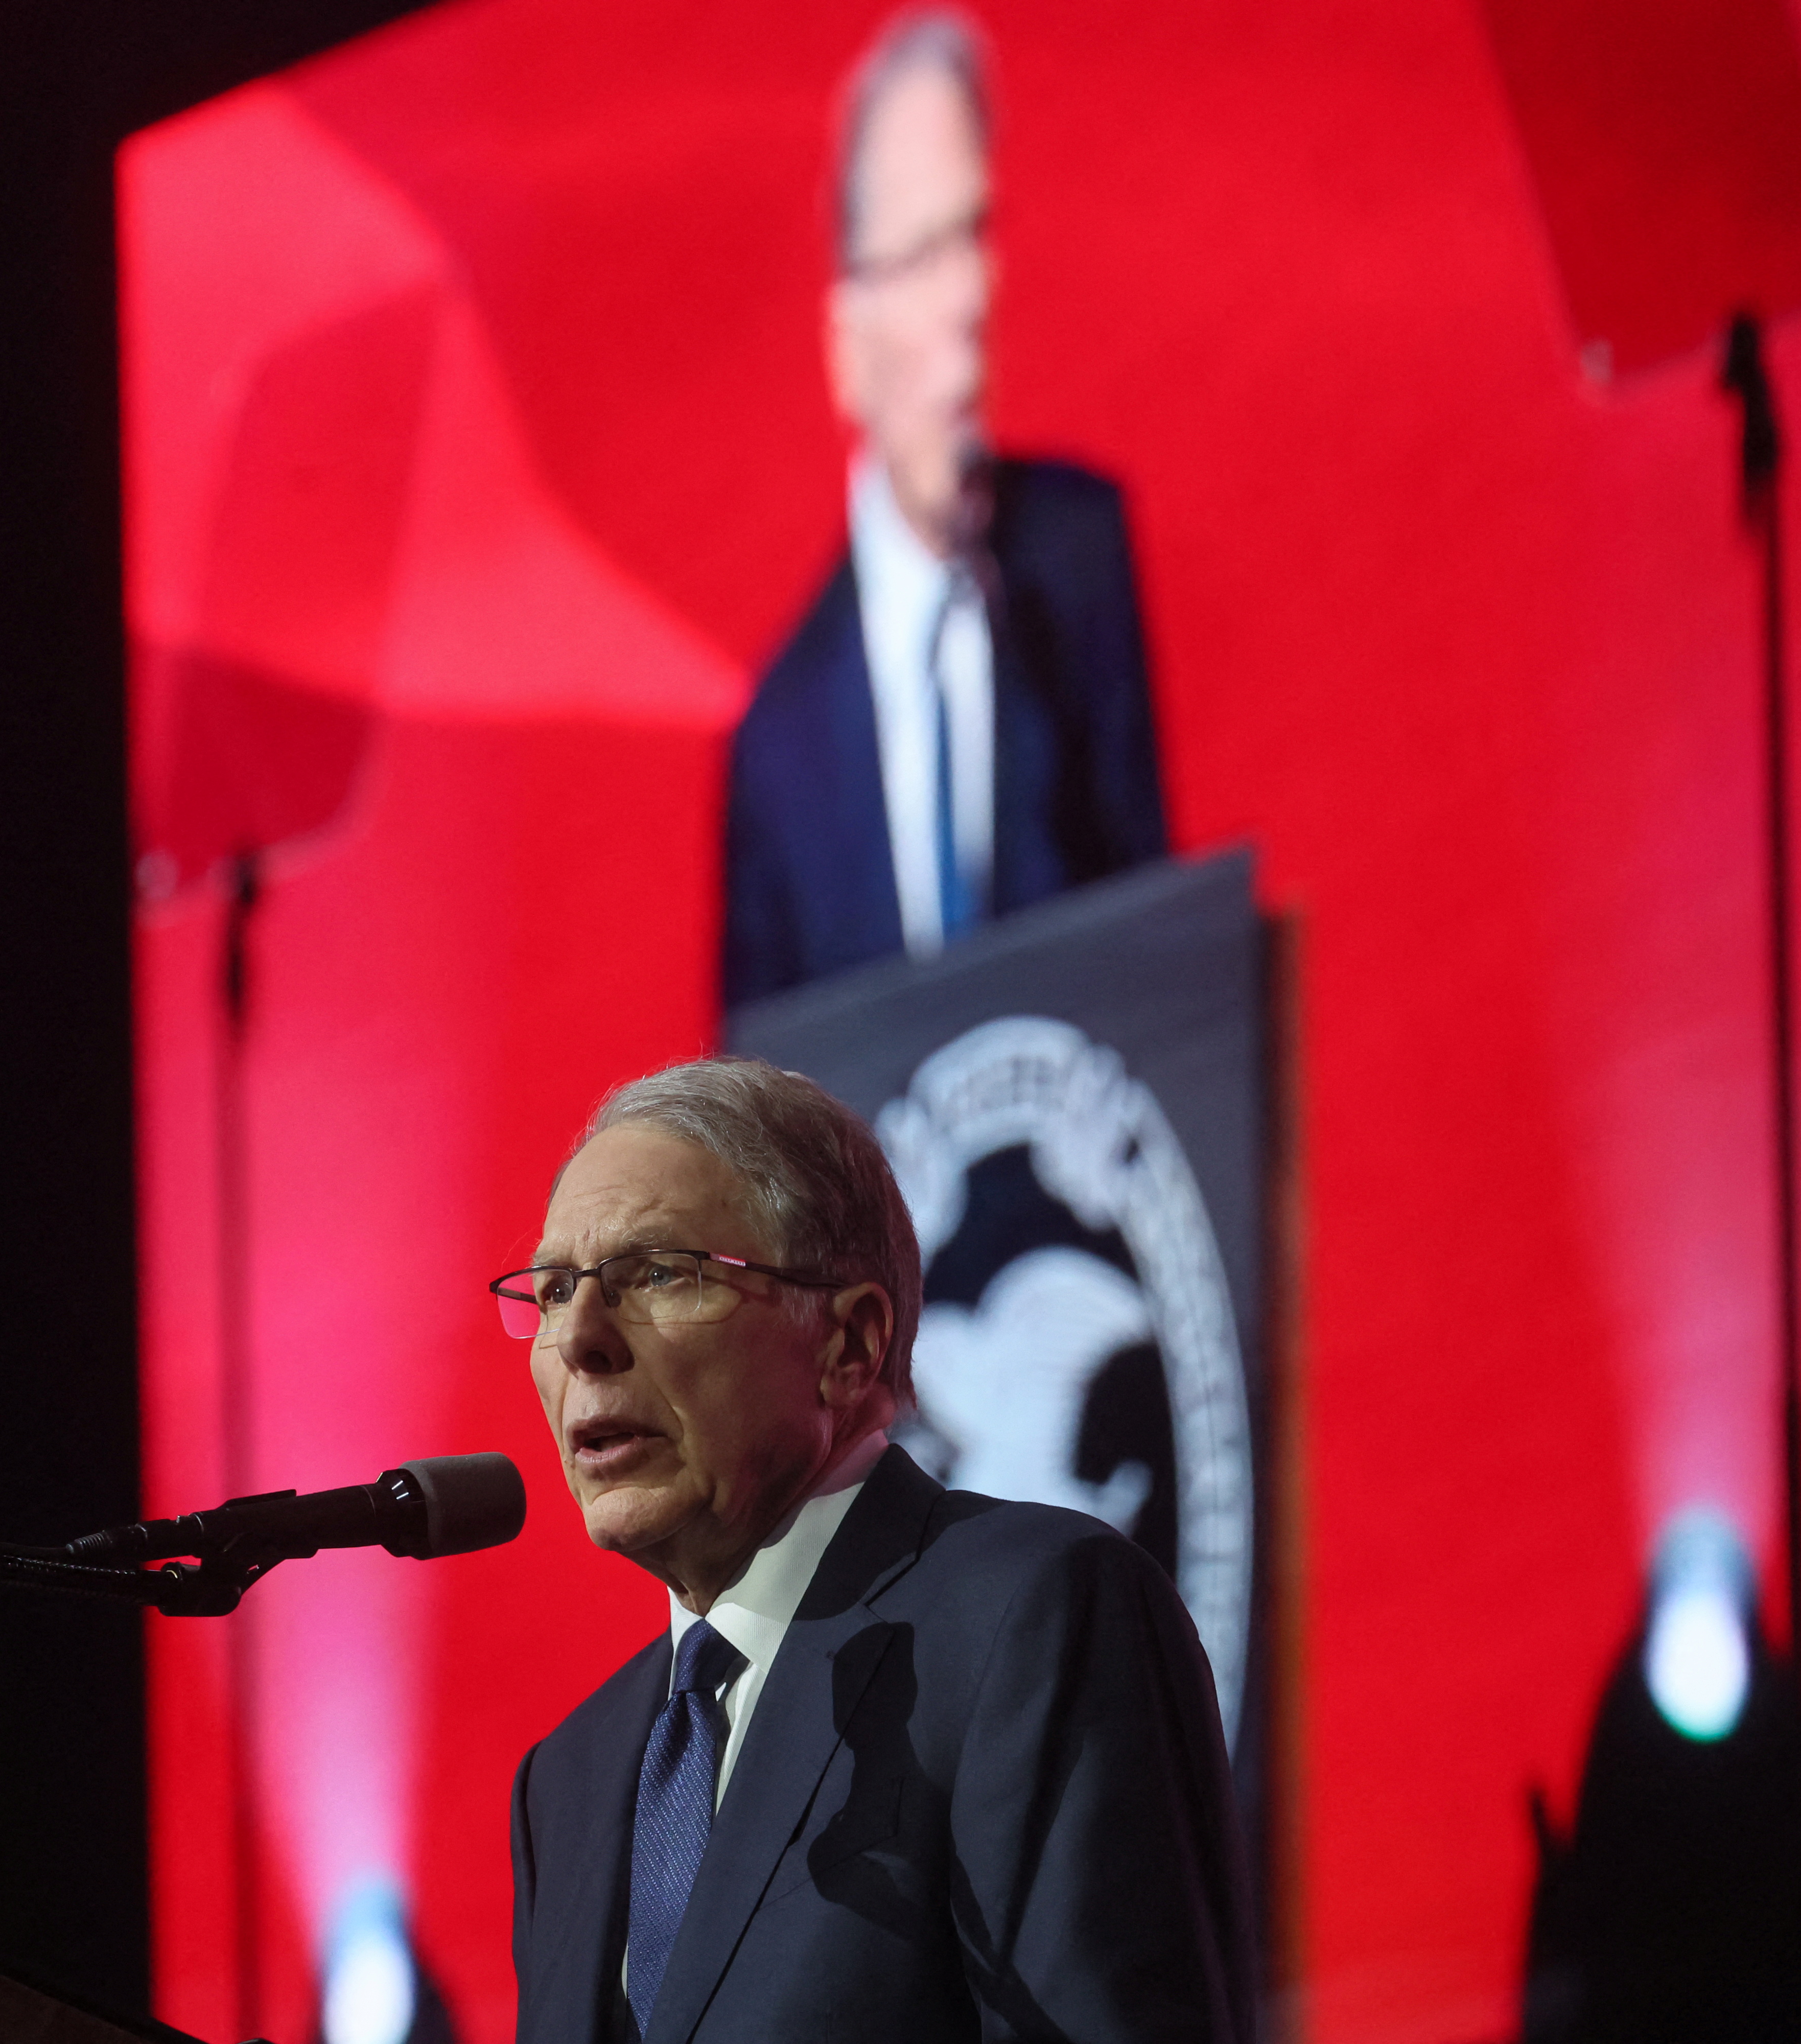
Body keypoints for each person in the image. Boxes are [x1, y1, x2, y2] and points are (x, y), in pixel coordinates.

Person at [500, 1056, 1254, 2042]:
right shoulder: (570, 1778)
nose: (582, 1338)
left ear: (849, 1346)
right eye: (554, 1291)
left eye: (657, 1275)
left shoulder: (1029, 1621)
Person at [721, 10, 1170, 1010]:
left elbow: (1162, 963)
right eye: (924, 252)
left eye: (973, 234)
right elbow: (753, 1129)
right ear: (847, 339)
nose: (970, 292)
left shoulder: (1077, 562)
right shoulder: (779, 744)